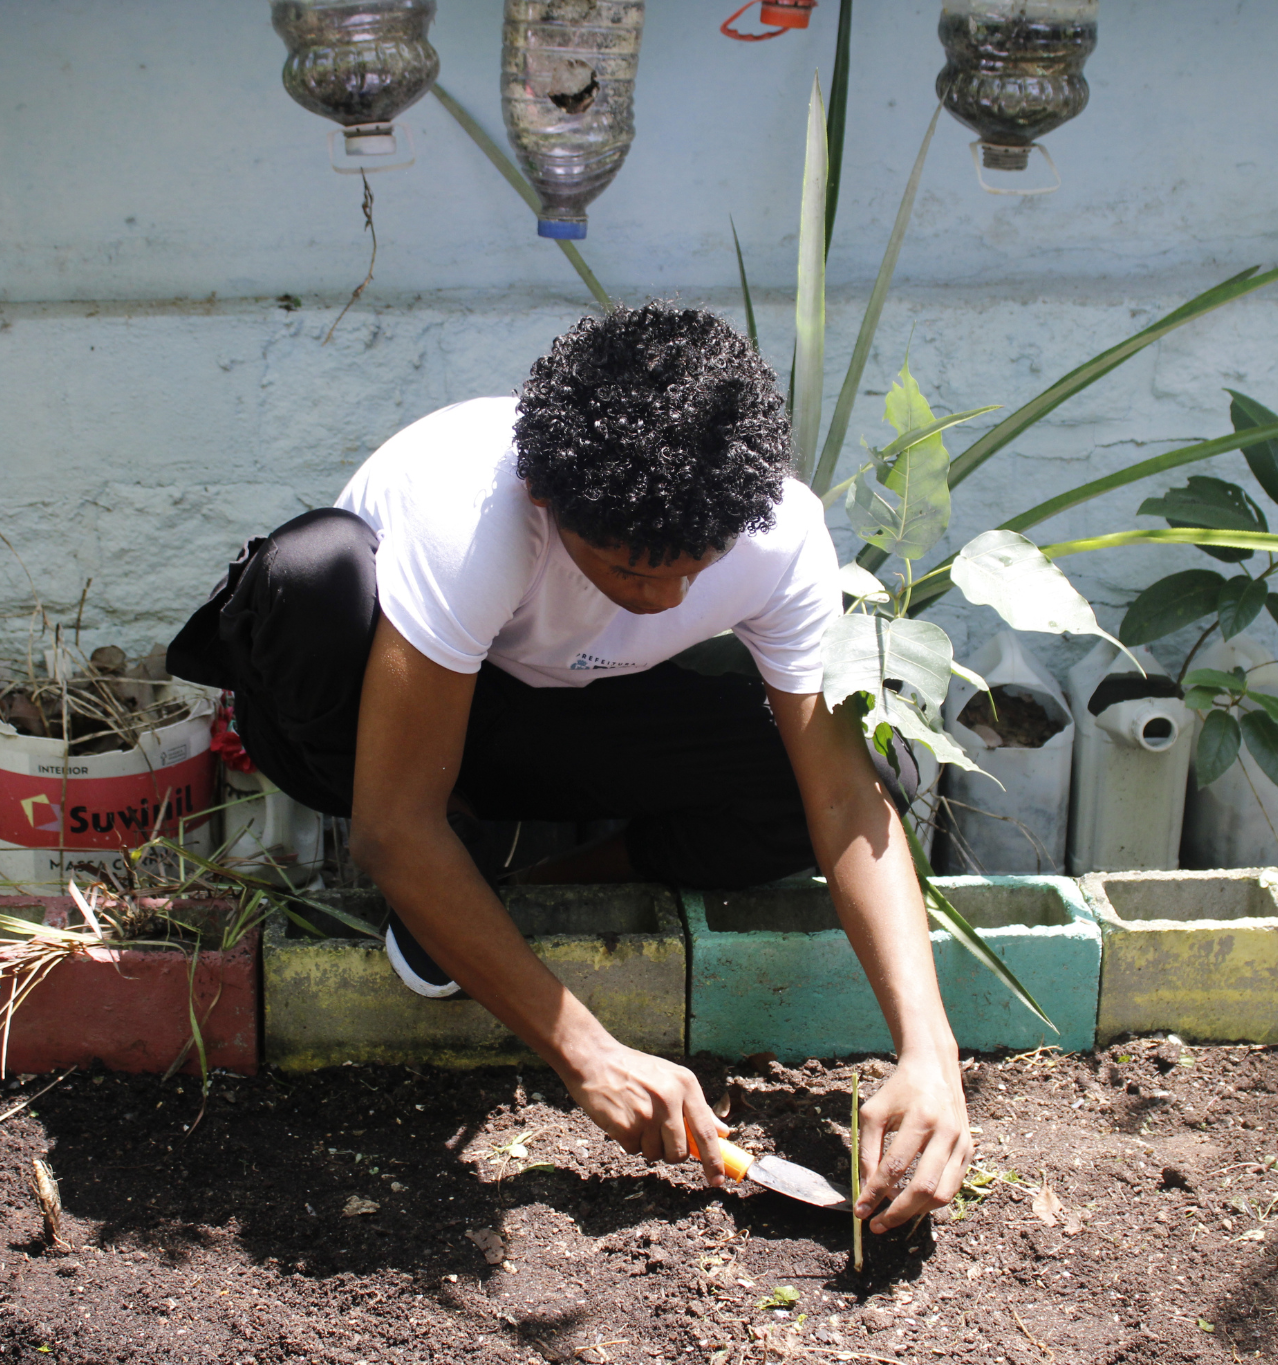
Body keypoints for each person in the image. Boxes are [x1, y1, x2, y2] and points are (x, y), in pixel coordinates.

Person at [168, 303, 971, 1232]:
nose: (663, 597)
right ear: (546, 498)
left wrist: (930, 1052)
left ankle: (509, 885)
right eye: (629, 571)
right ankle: (442, 875)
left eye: (695, 569)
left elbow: (841, 801)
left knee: (861, 775)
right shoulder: (474, 509)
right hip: (361, 724)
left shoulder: (776, 532)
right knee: (315, 572)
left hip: (541, 716)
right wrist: (588, 1052)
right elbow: (389, 828)